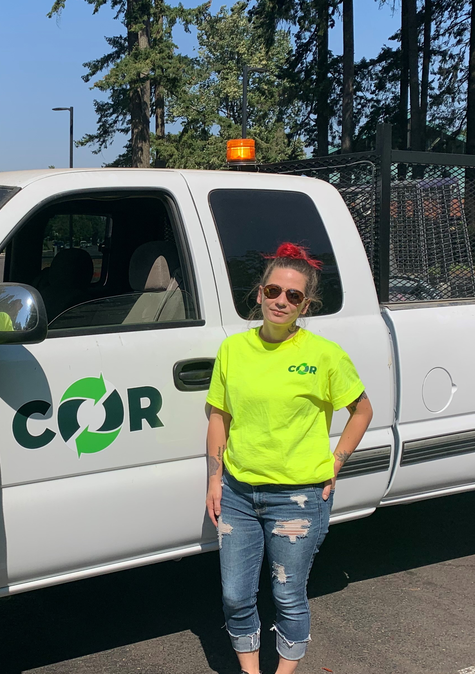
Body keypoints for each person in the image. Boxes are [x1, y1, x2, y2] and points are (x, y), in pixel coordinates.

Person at [205, 242, 373, 674]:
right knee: (235, 595)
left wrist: (336, 461)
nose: (281, 301)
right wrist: (214, 479)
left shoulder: (324, 355)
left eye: (293, 296)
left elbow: (362, 410)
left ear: (306, 304)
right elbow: (219, 416)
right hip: (239, 495)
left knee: (287, 595)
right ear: (259, 293)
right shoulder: (233, 350)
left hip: (298, 497)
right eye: (274, 291)